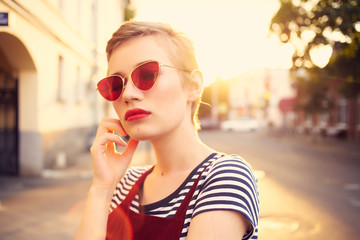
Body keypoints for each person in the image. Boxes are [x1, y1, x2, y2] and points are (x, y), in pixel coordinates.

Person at [75, 21, 259, 240]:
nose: (127, 94)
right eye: (116, 85)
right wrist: (101, 188)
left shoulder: (225, 176)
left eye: (146, 75)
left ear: (193, 85)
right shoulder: (125, 182)